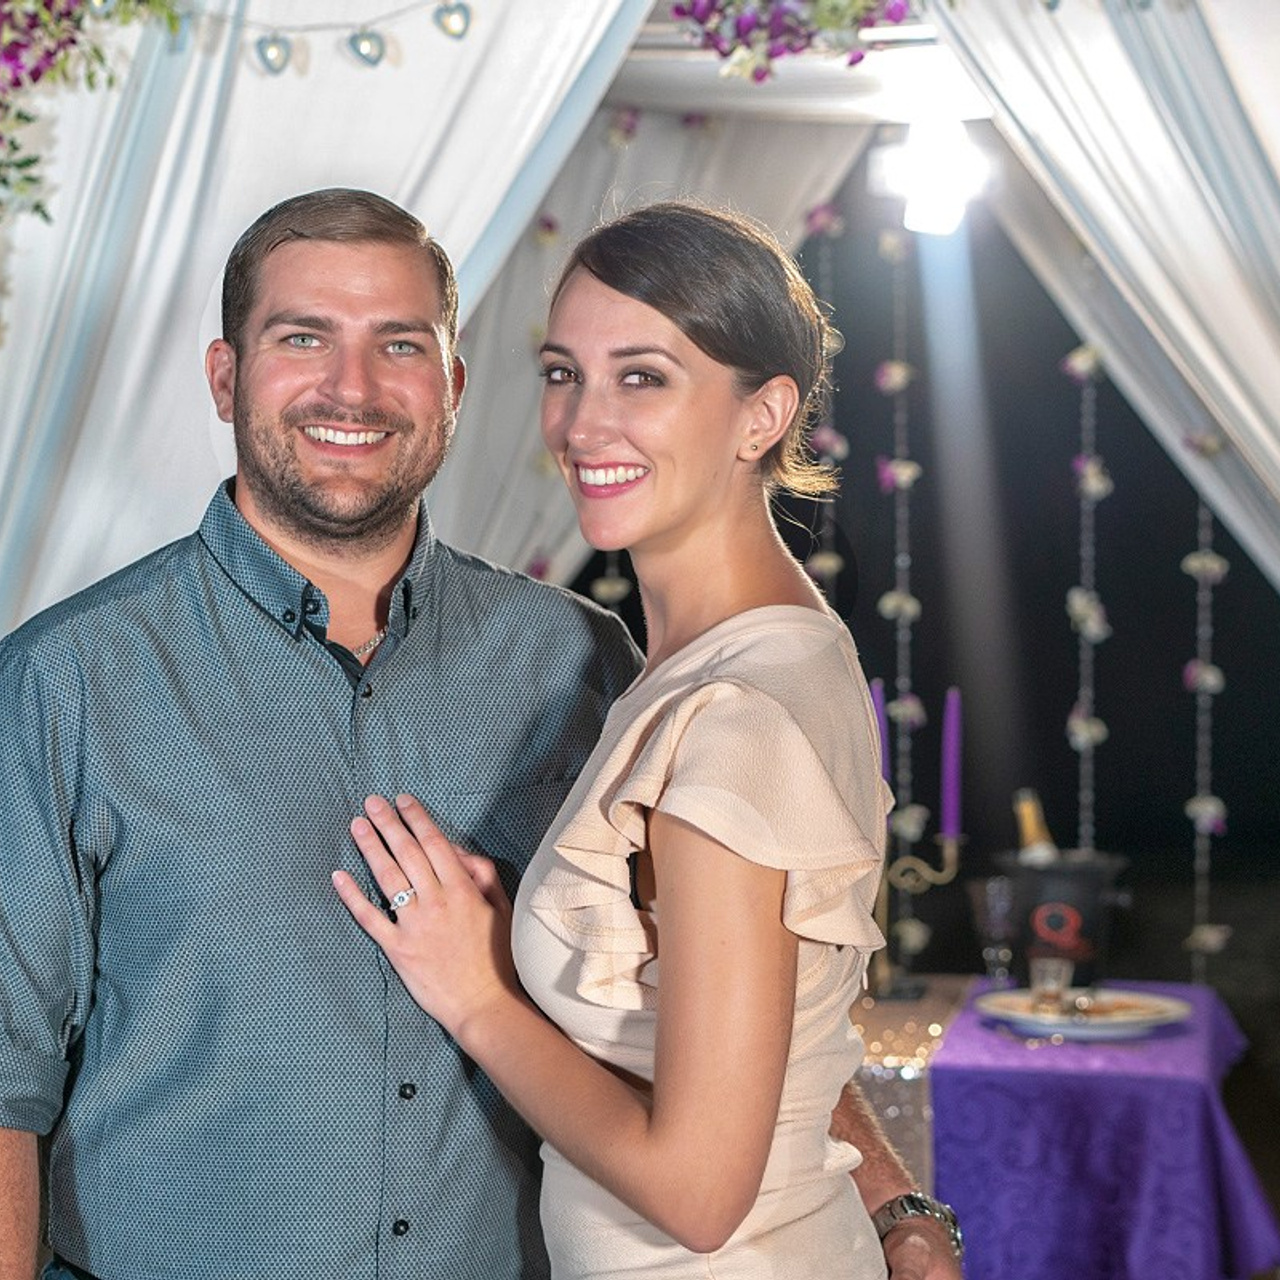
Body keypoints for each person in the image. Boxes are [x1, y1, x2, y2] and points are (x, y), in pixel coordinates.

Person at [0, 188, 641, 1280]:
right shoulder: (64, 682)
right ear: (225, 377)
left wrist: (885, 1195)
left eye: (399, 344)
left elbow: (707, 986)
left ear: (451, 385)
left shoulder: (582, 662)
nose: (353, 388)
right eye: (303, 338)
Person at [332, 202, 965, 1280]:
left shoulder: (733, 714)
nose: (584, 423)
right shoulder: (753, 655)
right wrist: (892, 1198)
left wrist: (480, 994)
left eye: (642, 377)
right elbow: (774, 1036)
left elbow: (699, 1194)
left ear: (762, 415)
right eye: (563, 373)